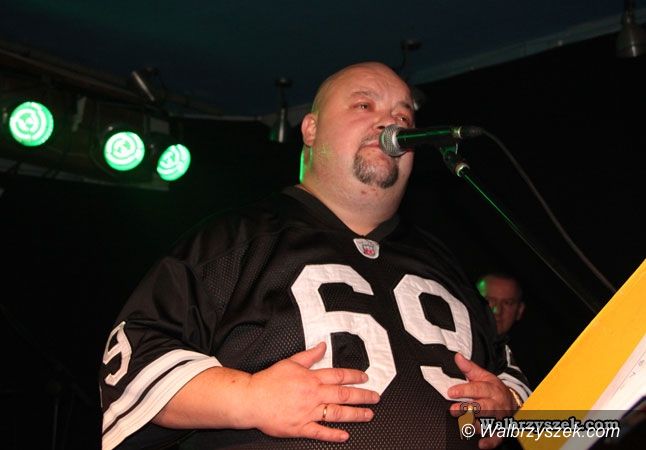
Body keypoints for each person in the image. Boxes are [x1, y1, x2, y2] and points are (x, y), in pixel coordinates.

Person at [99, 62, 531, 450]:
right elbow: (134, 363)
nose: (390, 121)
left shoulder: (446, 265)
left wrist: (508, 406)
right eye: (364, 105)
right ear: (310, 129)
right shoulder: (234, 240)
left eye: (404, 116)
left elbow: (539, 412)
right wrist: (249, 398)